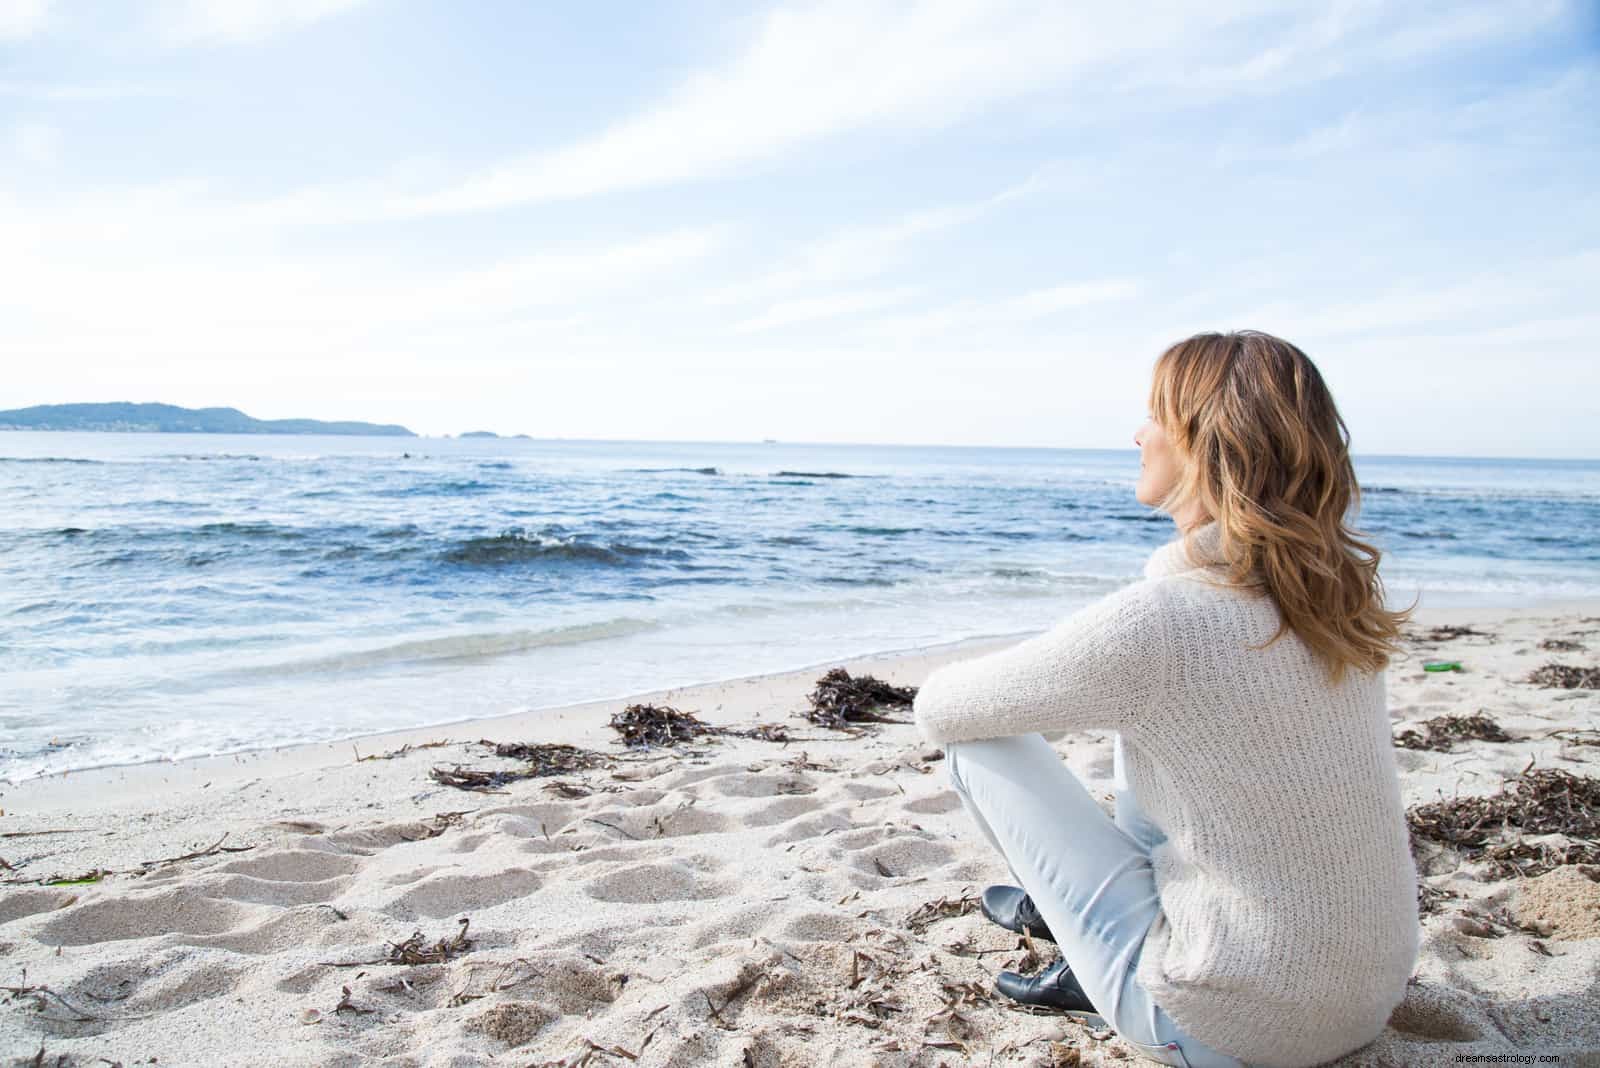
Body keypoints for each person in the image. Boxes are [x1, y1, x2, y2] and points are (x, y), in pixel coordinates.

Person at [912, 330, 1421, 1068]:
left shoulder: (1164, 620)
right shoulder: (1335, 598)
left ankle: (1087, 940)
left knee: (981, 741)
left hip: (1221, 1023)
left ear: (1203, 442)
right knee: (1162, 723)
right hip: (1363, 1004)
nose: (1138, 433)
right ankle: (1083, 915)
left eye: (1155, 414)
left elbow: (942, 708)